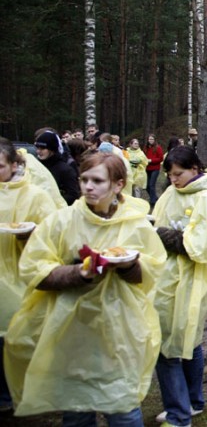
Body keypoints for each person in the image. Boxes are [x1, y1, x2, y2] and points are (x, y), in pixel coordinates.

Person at [4, 152, 165, 425]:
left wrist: (128, 265)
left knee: (122, 405)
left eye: (98, 181)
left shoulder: (135, 223)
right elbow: (34, 268)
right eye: (84, 179)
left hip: (119, 326)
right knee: (76, 407)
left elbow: (151, 271)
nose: (88, 187)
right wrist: (76, 272)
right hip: (72, 326)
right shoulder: (62, 221)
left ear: (118, 184)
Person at [152, 146, 207, 427]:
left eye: (178, 174)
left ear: (195, 169)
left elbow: (202, 244)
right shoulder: (172, 192)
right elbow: (157, 220)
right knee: (185, 339)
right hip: (163, 277)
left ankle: (179, 412)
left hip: (190, 279)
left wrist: (160, 234)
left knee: (173, 344)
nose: (173, 180)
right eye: (170, 175)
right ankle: (192, 402)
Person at [0, 138, 62, 412]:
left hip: (19, 276)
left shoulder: (35, 194)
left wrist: (30, 234)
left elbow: (54, 233)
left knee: (19, 335)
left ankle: (31, 390)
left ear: (14, 164)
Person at [34, 130, 81, 205]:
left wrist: (52, 203)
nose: (38, 151)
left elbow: (73, 195)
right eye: (37, 148)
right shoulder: (35, 166)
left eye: (42, 148)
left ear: (52, 150)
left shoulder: (65, 170)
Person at [144, 134, 164, 207]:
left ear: (154, 140)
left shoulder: (158, 148)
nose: (150, 141)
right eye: (149, 139)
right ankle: (155, 197)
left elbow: (161, 158)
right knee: (147, 186)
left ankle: (153, 202)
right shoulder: (146, 148)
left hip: (155, 168)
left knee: (152, 185)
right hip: (147, 168)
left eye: (152, 139)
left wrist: (151, 160)